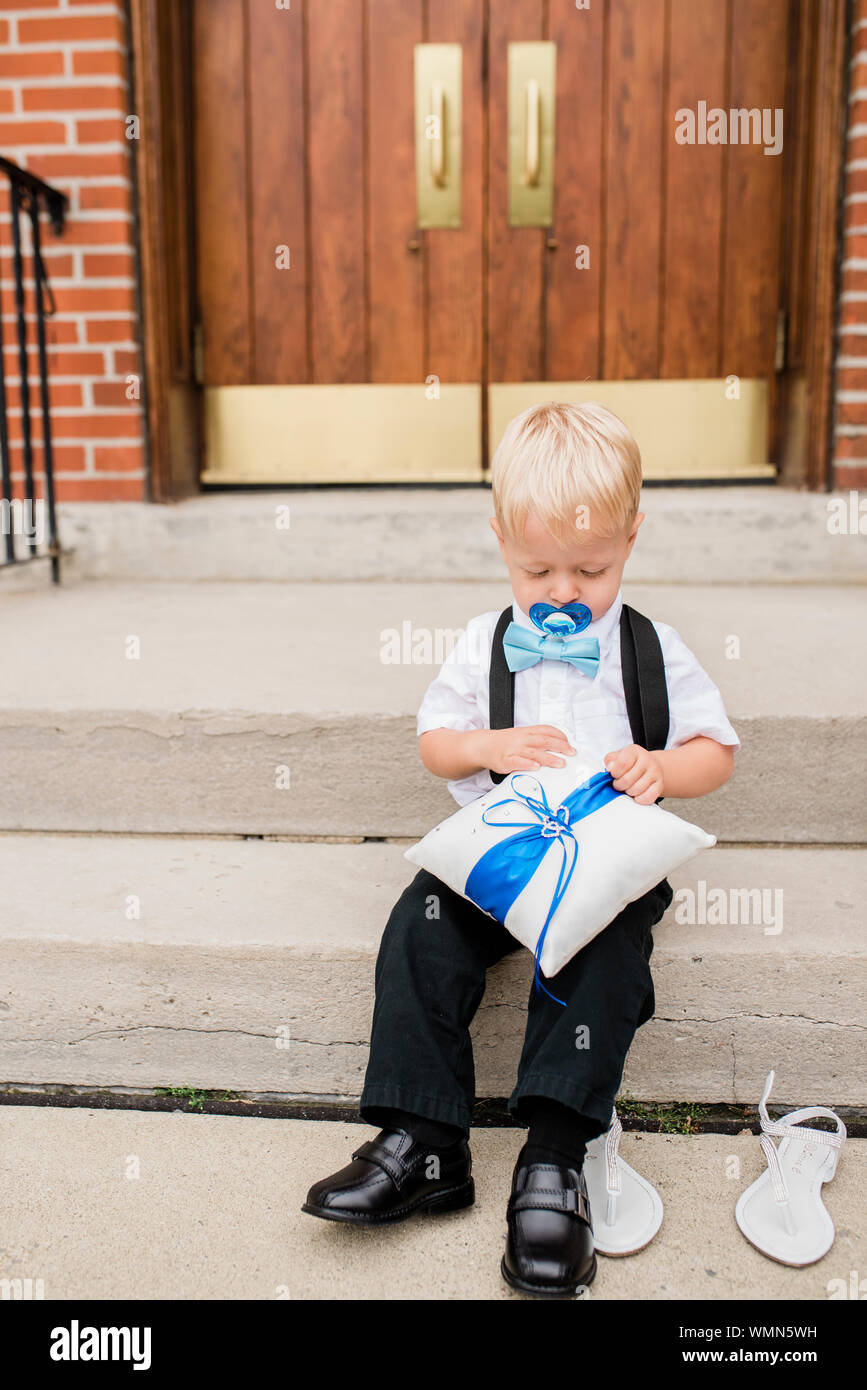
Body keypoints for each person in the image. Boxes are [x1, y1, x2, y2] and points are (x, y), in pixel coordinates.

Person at [302, 401, 739, 1297]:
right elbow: (435, 744)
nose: (562, 590)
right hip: (498, 855)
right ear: (498, 537)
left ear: (631, 538)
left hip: (604, 862)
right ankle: (424, 1143)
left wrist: (661, 766)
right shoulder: (480, 644)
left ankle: (553, 1157)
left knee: (607, 954)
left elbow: (715, 753)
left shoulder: (650, 650)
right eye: (535, 567)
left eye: (592, 568)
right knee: (421, 925)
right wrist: (487, 748)